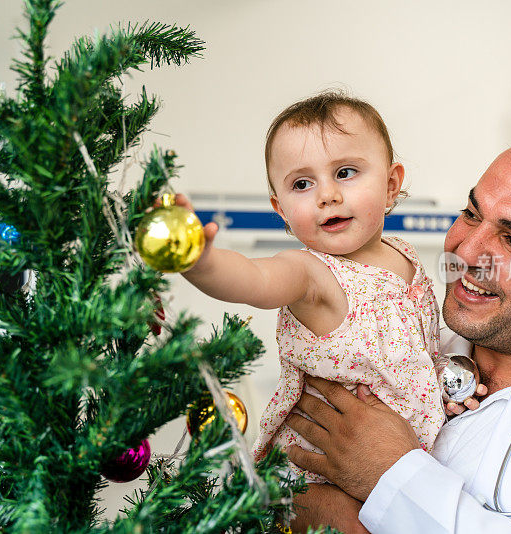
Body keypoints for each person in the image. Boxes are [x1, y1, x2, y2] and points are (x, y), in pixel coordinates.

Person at [285, 133, 511, 533]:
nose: (465, 252)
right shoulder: (396, 344)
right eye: (471, 213)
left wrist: (392, 476)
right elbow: (278, 480)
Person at [180, 91, 447, 483]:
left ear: (391, 185)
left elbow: (418, 354)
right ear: (281, 210)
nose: (327, 195)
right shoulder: (310, 274)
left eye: (345, 173)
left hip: (403, 461)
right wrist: (199, 261)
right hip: (326, 470)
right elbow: (254, 279)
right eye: (302, 184)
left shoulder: (403, 254)